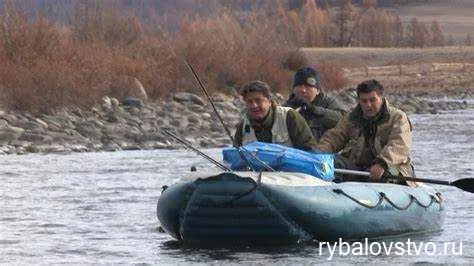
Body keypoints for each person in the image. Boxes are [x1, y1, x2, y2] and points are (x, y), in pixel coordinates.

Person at [315, 79, 414, 182]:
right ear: (359, 100)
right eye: (364, 101)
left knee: (385, 173)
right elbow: (334, 137)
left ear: (381, 98)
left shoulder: (398, 117)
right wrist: (318, 153)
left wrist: (382, 163)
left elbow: (399, 145)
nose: (368, 105)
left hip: (390, 167)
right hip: (358, 168)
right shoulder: (351, 118)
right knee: (331, 162)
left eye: (372, 100)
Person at [234, 80, 317, 151]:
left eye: (258, 100)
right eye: (249, 102)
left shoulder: (289, 117)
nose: (254, 105)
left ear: (269, 101)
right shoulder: (243, 126)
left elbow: (310, 151)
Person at [284, 67, 346, 140]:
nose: (303, 90)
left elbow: (344, 121)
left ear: (318, 90)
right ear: (293, 89)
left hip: (322, 148)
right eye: (299, 86)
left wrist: (315, 111)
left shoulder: (328, 103)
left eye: (308, 87)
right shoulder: (287, 107)